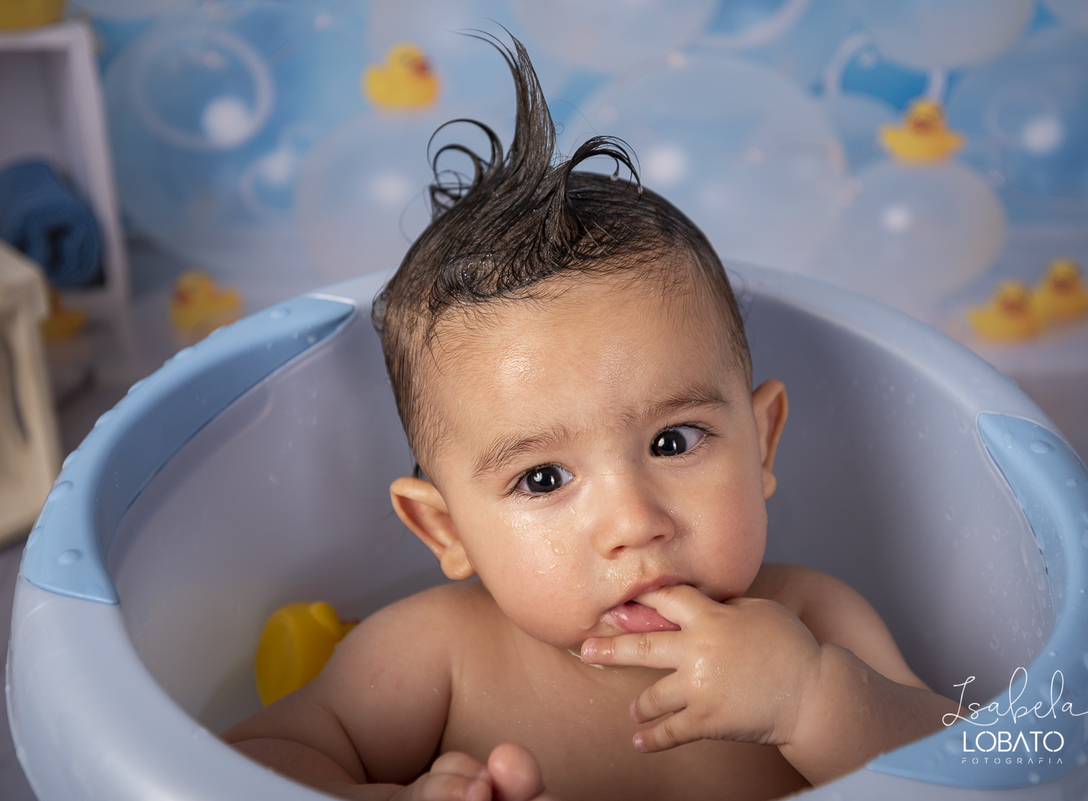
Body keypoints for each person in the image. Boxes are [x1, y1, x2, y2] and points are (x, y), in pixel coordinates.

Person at [223, 35, 963, 801]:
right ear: (445, 530)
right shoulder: (435, 653)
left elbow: (992, 766)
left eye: (673, 441)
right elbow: (243, 763)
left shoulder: (811, 623)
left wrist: (815, 701)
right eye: (543, 477)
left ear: (762, 438)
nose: (634, 522)